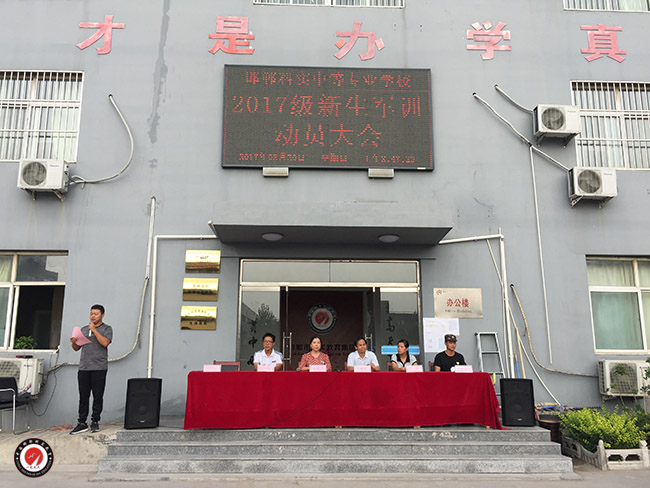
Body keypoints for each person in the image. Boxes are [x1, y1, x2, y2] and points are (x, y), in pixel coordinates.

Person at [69, 304, 113, 434]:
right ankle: (82, 422)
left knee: (97, 395)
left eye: (96, 314)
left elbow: (105, 343)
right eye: (91, 313)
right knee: (83, 396)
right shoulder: (83, 329)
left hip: (99, 367)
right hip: (84, 367)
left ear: (102, 315)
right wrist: (74, 342)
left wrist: (94, 330)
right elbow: (76, 348)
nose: (93, 316)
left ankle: (95, 421)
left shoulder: (107, 328)